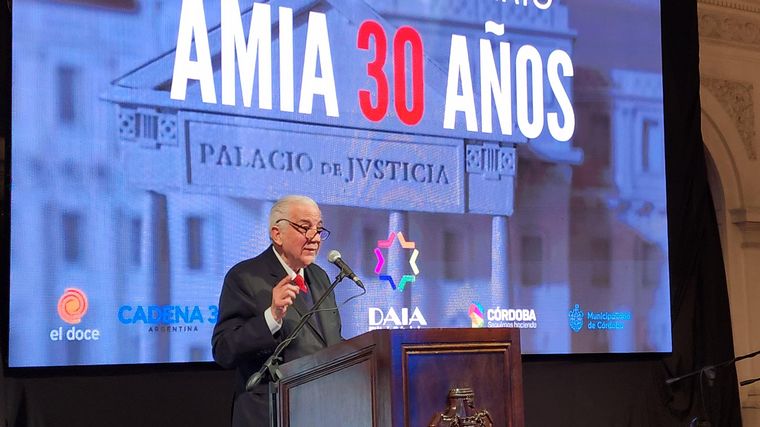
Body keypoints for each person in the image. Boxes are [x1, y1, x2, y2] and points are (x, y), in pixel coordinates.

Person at [212, 195, 343, 427]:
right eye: (305, 227)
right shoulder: (244, 277)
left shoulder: (320, 277)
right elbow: (224, 350)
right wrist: (271, 317)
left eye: (319, 228)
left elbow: (328, 342)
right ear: (277, 234)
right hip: (270, 414)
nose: (315, 237)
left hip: (321, 411)